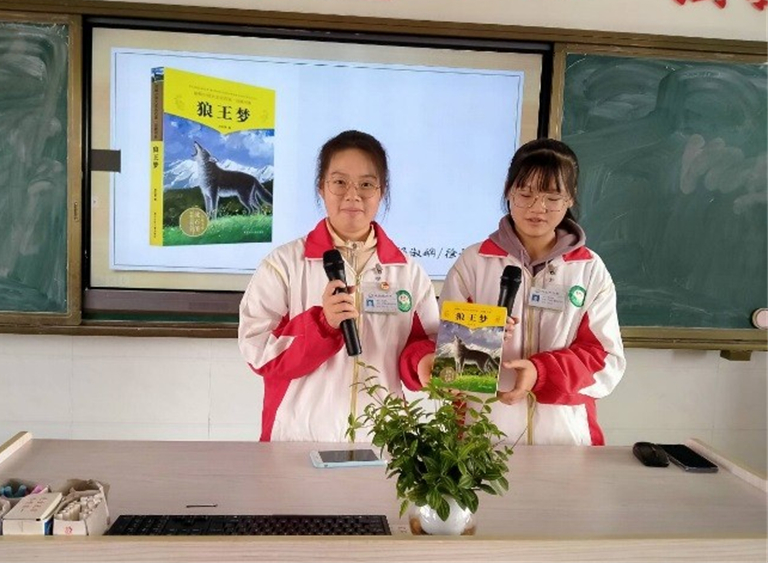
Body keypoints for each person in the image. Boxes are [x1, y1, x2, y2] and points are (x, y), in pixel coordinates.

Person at [239, 130, 438, 442]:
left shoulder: (408, 273)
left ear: (382, 191)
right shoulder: (283, 265)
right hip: (296, 441)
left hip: (383, 444)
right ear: (322, 187)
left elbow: (423, 344)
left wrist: (425, 364)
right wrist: (322, 325)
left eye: (366, 184)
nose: (353, 195)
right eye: (340, 182)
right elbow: (258, 352)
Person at [435, 138, 626, 446]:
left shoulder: (588, 269)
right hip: (482, 440)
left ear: (570, 198)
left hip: (565, 442)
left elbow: (606, 362)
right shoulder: (474, 263)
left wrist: (541, 373)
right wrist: (482, 339)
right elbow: (449, 364)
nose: (538, 208)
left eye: (552, 197)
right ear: (508, 191)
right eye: (525, 194)